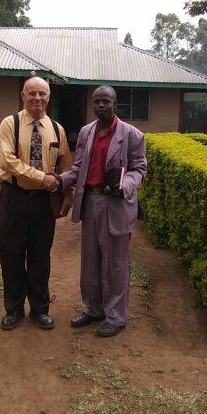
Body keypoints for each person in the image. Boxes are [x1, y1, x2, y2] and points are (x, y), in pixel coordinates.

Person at [57, 86, 147, 337]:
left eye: (106, 101)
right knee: (91, 261)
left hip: (116, 205)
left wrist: (123, 185)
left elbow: (139, 170)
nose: (101, 106)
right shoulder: (86, 132)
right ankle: (94, 308)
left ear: (115, 104)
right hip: (90, 202)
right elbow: (78, 167)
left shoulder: (132, 135)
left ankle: (116, 317)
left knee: (115, 264)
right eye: (97, 101)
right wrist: (59, 180)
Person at [0, 76, 73, 331]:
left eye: (42, 94)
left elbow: (65, 164)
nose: (37, 98)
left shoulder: (57, 129)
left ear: (49, 97)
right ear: (23, 96)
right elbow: (6, 161)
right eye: (32, 93)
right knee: (11, 254)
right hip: (14, 198)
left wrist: (68, 192)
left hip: (43, 203)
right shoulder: (10, 123)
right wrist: (41, 177)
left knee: (40, 256)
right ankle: (14, 309)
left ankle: (40, 309)